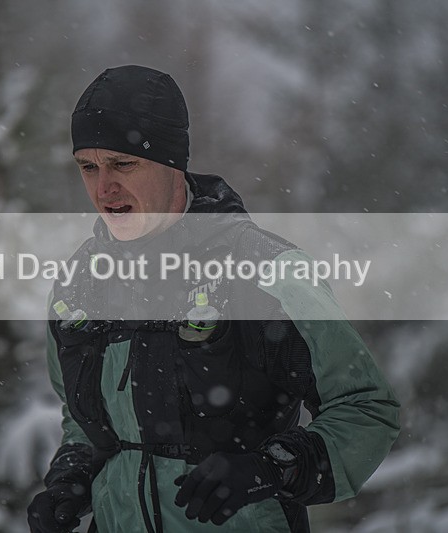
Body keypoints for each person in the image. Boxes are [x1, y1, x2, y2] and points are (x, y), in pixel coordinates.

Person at [27, 65, 400, 533]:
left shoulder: (267, 271)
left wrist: (271, 468)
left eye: (123, 164)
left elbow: (365, 407)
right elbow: (84, 420)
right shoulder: (78, 284)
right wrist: (72, 479)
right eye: (88, 167)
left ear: (172, 163)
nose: (104, 189)